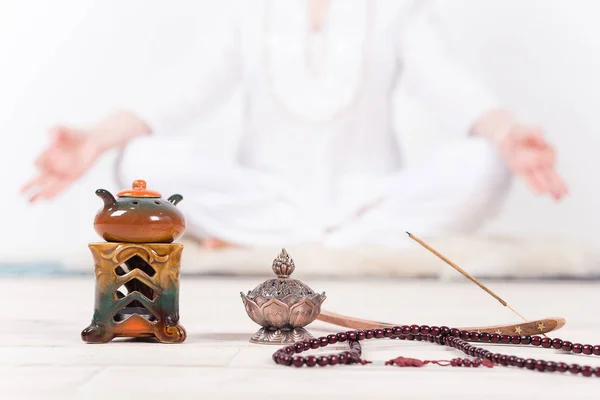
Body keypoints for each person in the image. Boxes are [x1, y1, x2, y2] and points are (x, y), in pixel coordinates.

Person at [21, 0, 567, 249]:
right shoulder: (245, 12)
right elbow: (171, 97)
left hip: (371, 202)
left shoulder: (398, 9)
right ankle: (317, 240)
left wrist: (507, 136)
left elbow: (454, 89)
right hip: (266, 195)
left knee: (484, 164)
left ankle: (268, 241)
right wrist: (93, 140)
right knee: (140, 162)